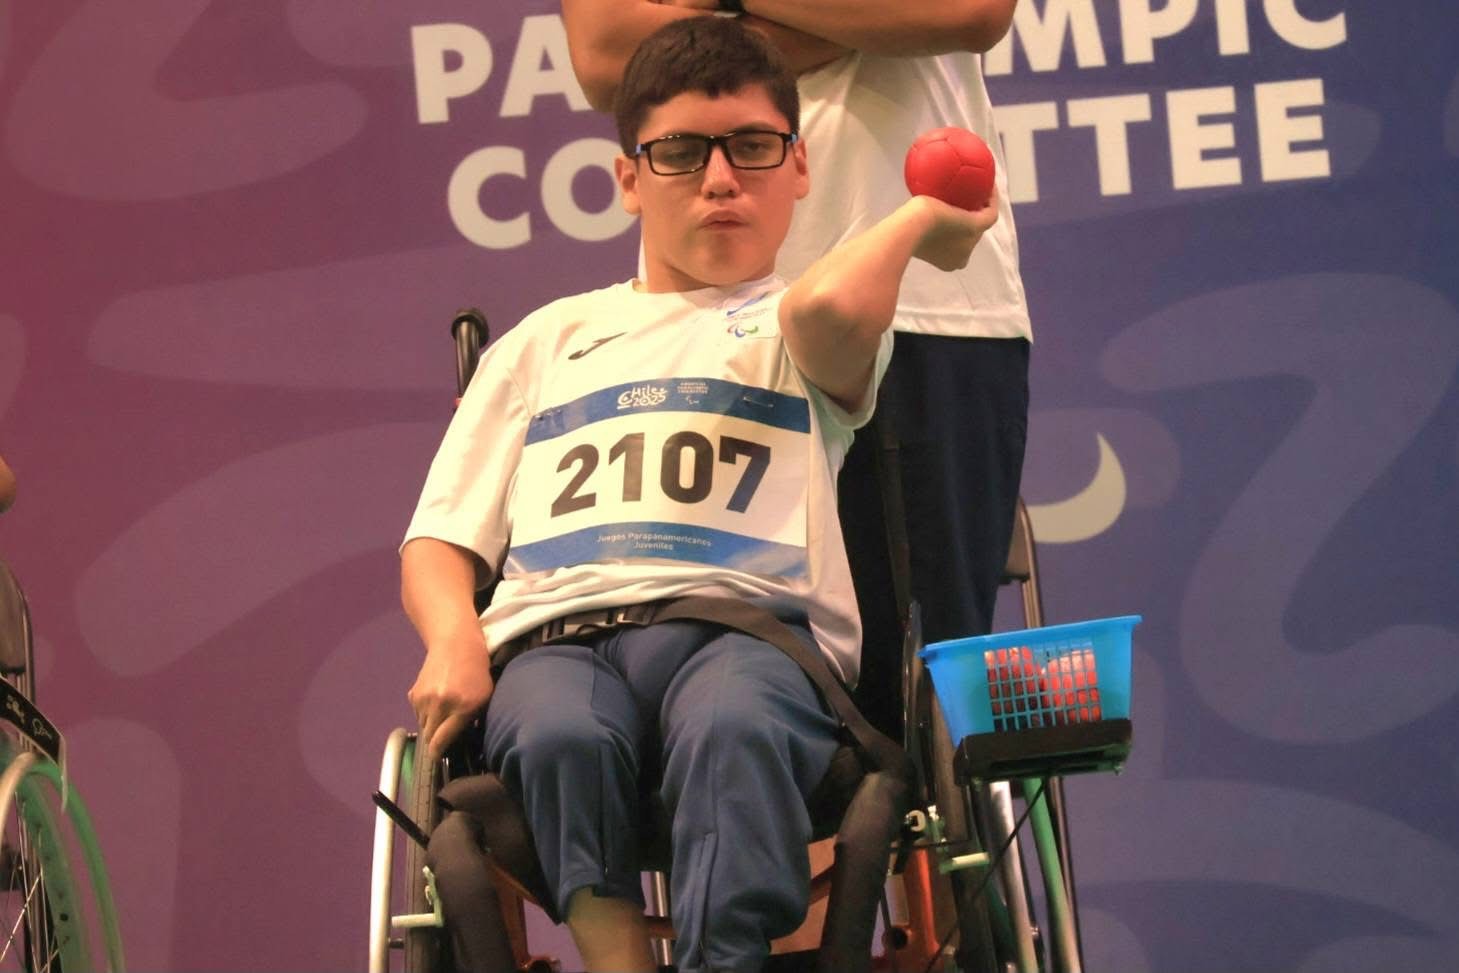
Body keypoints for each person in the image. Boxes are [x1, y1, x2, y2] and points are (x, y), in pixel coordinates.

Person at [401, 17, 996, 973]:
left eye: (753, 149)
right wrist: (454, 639)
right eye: (679, 153)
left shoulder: (799, 324)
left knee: (733, 729)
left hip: (747, 639)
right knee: (556, 733)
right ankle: (617, 962)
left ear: (799, 168)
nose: (720, 179)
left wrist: (919, 219)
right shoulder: (545, 340)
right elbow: (440, 539)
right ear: (628, 177)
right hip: (557, 641)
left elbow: (830, 305)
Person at [562, 2, 1030, 739]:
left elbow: (963, 10)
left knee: (920, 723)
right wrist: (864, 24)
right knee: (730, 688)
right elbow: (605, 54)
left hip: (930, 307)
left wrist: (713, 21)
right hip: (708, 325)